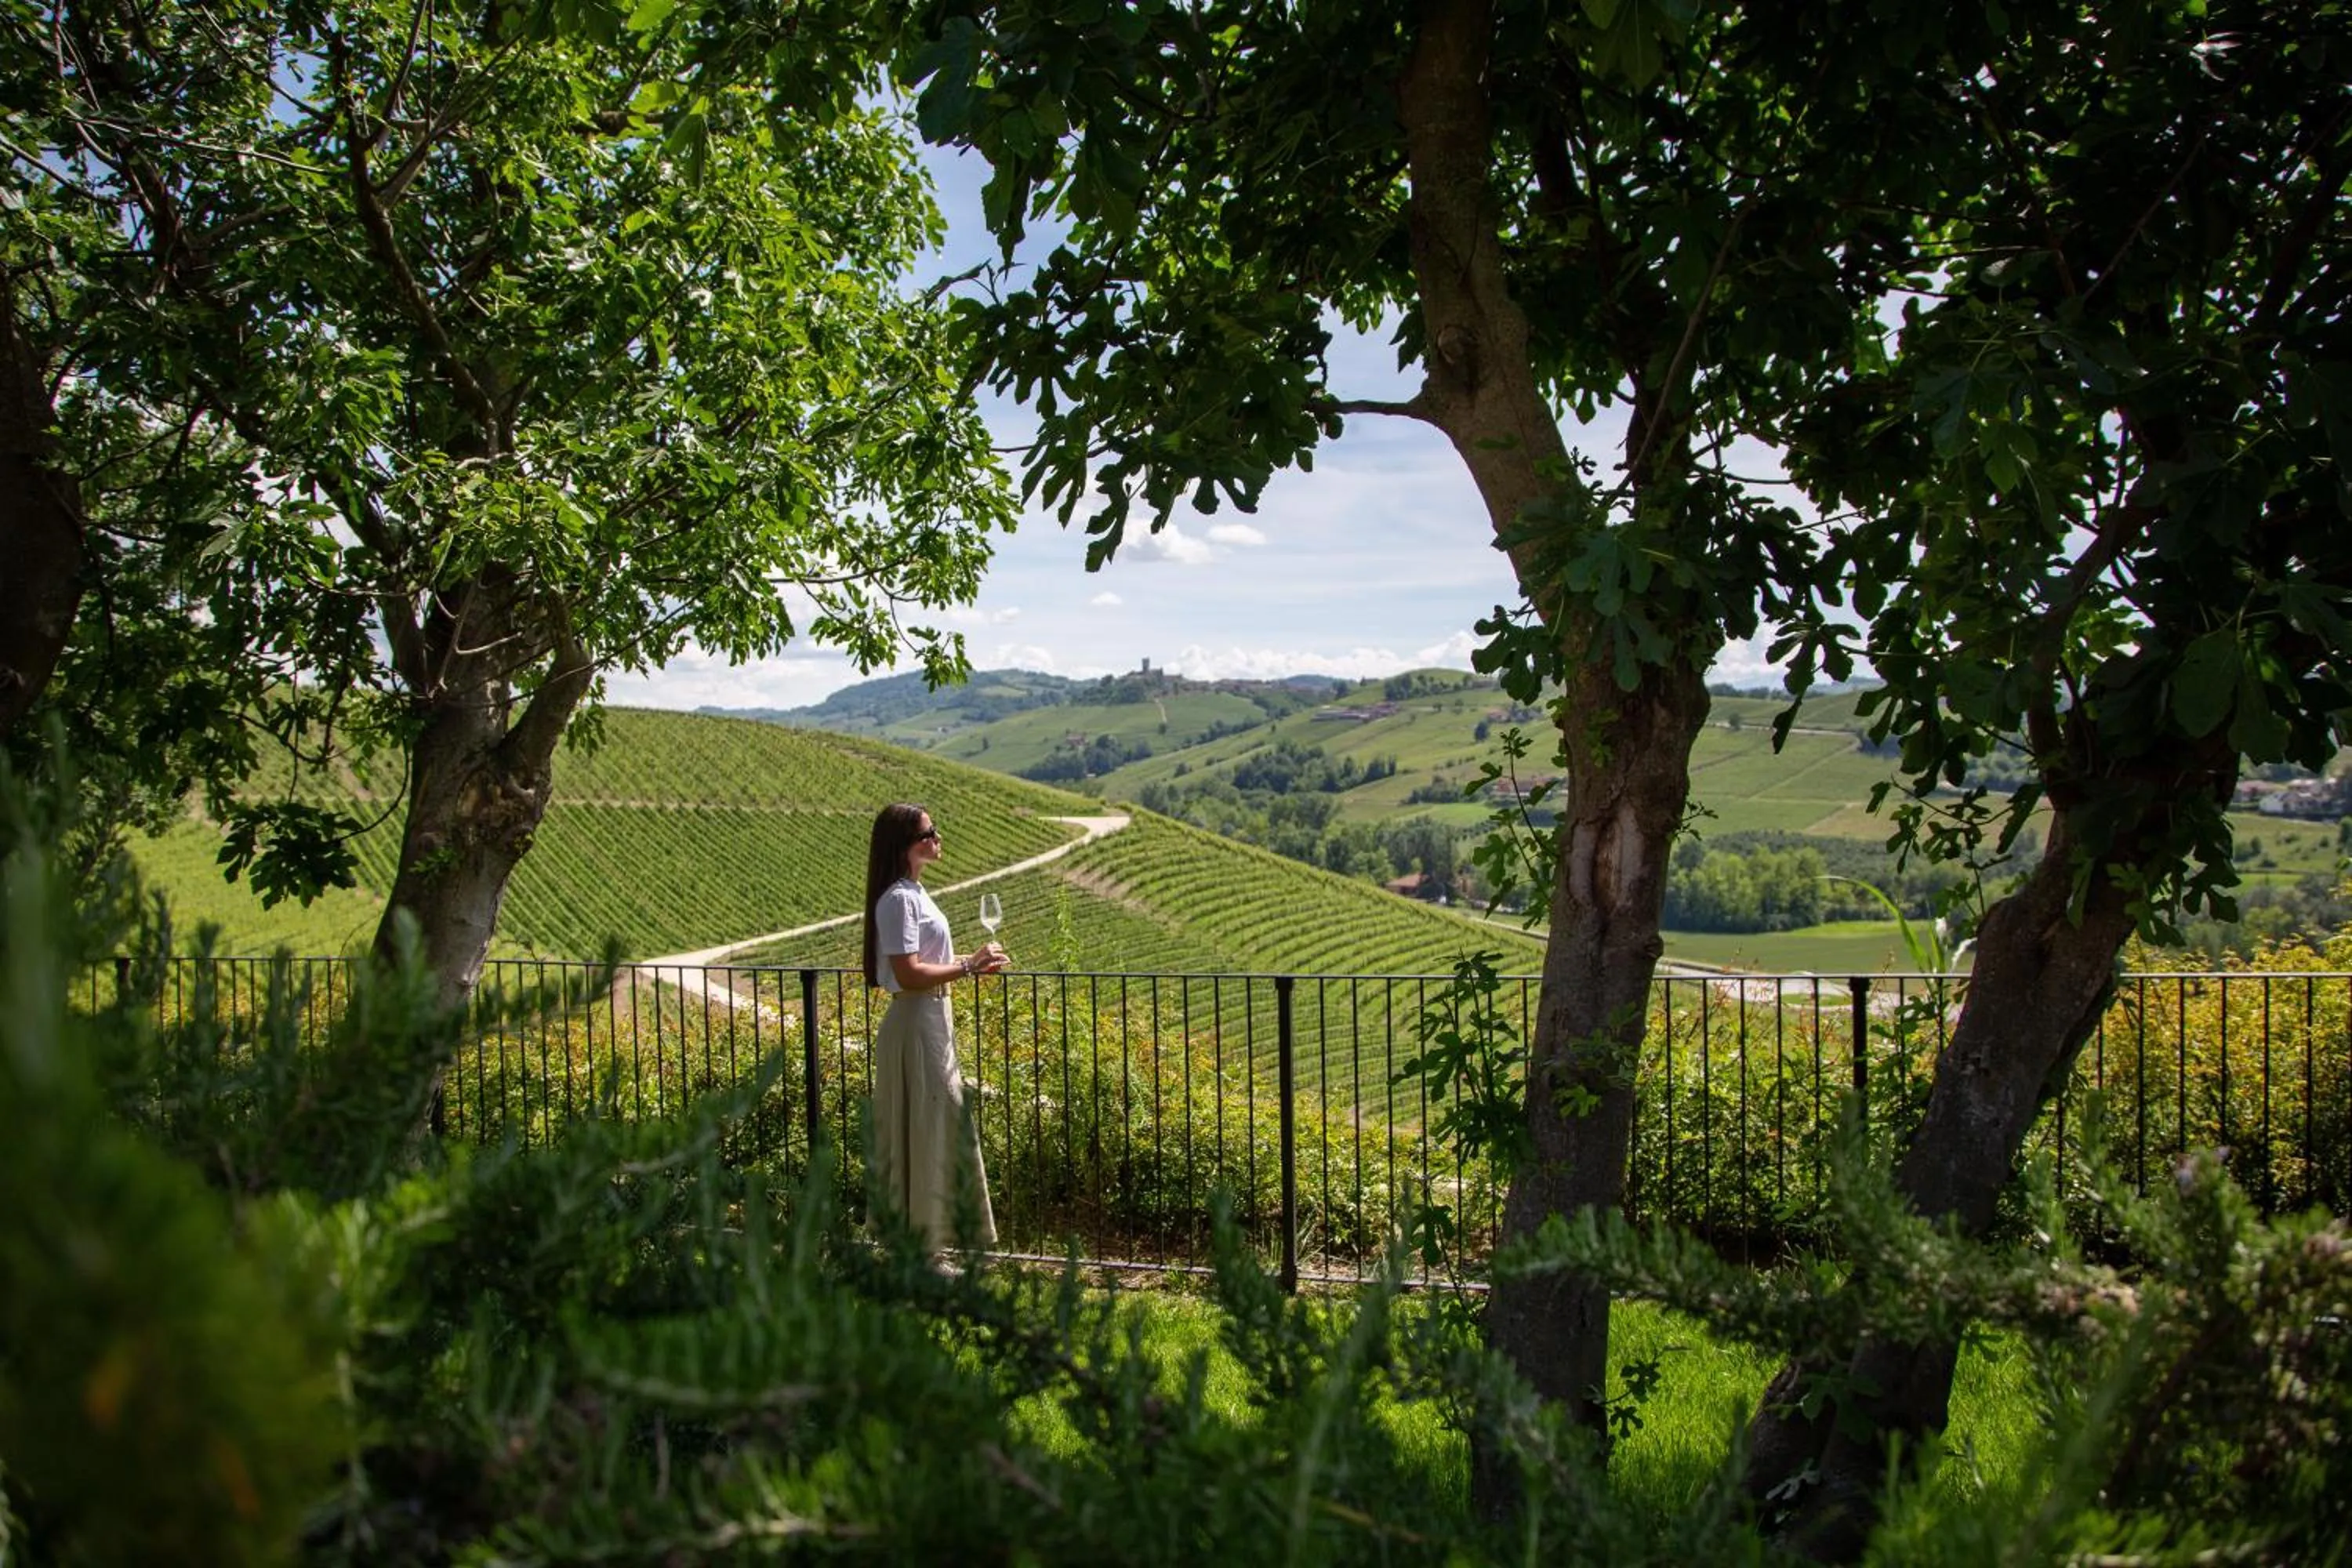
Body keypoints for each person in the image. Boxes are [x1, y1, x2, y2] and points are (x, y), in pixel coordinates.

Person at [862, 802, 1007, 1254]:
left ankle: (926, 1245)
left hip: (929, 1019)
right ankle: (923, 1252)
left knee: (934, 1128)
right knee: (926, 1130)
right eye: (929, 833)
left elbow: (924, 965)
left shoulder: (914, 894)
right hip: (916, 1023)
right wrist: (967, 965)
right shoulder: (899, 900)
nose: (938, 838)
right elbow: (908, 974)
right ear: (906, 845)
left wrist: (969, 966)